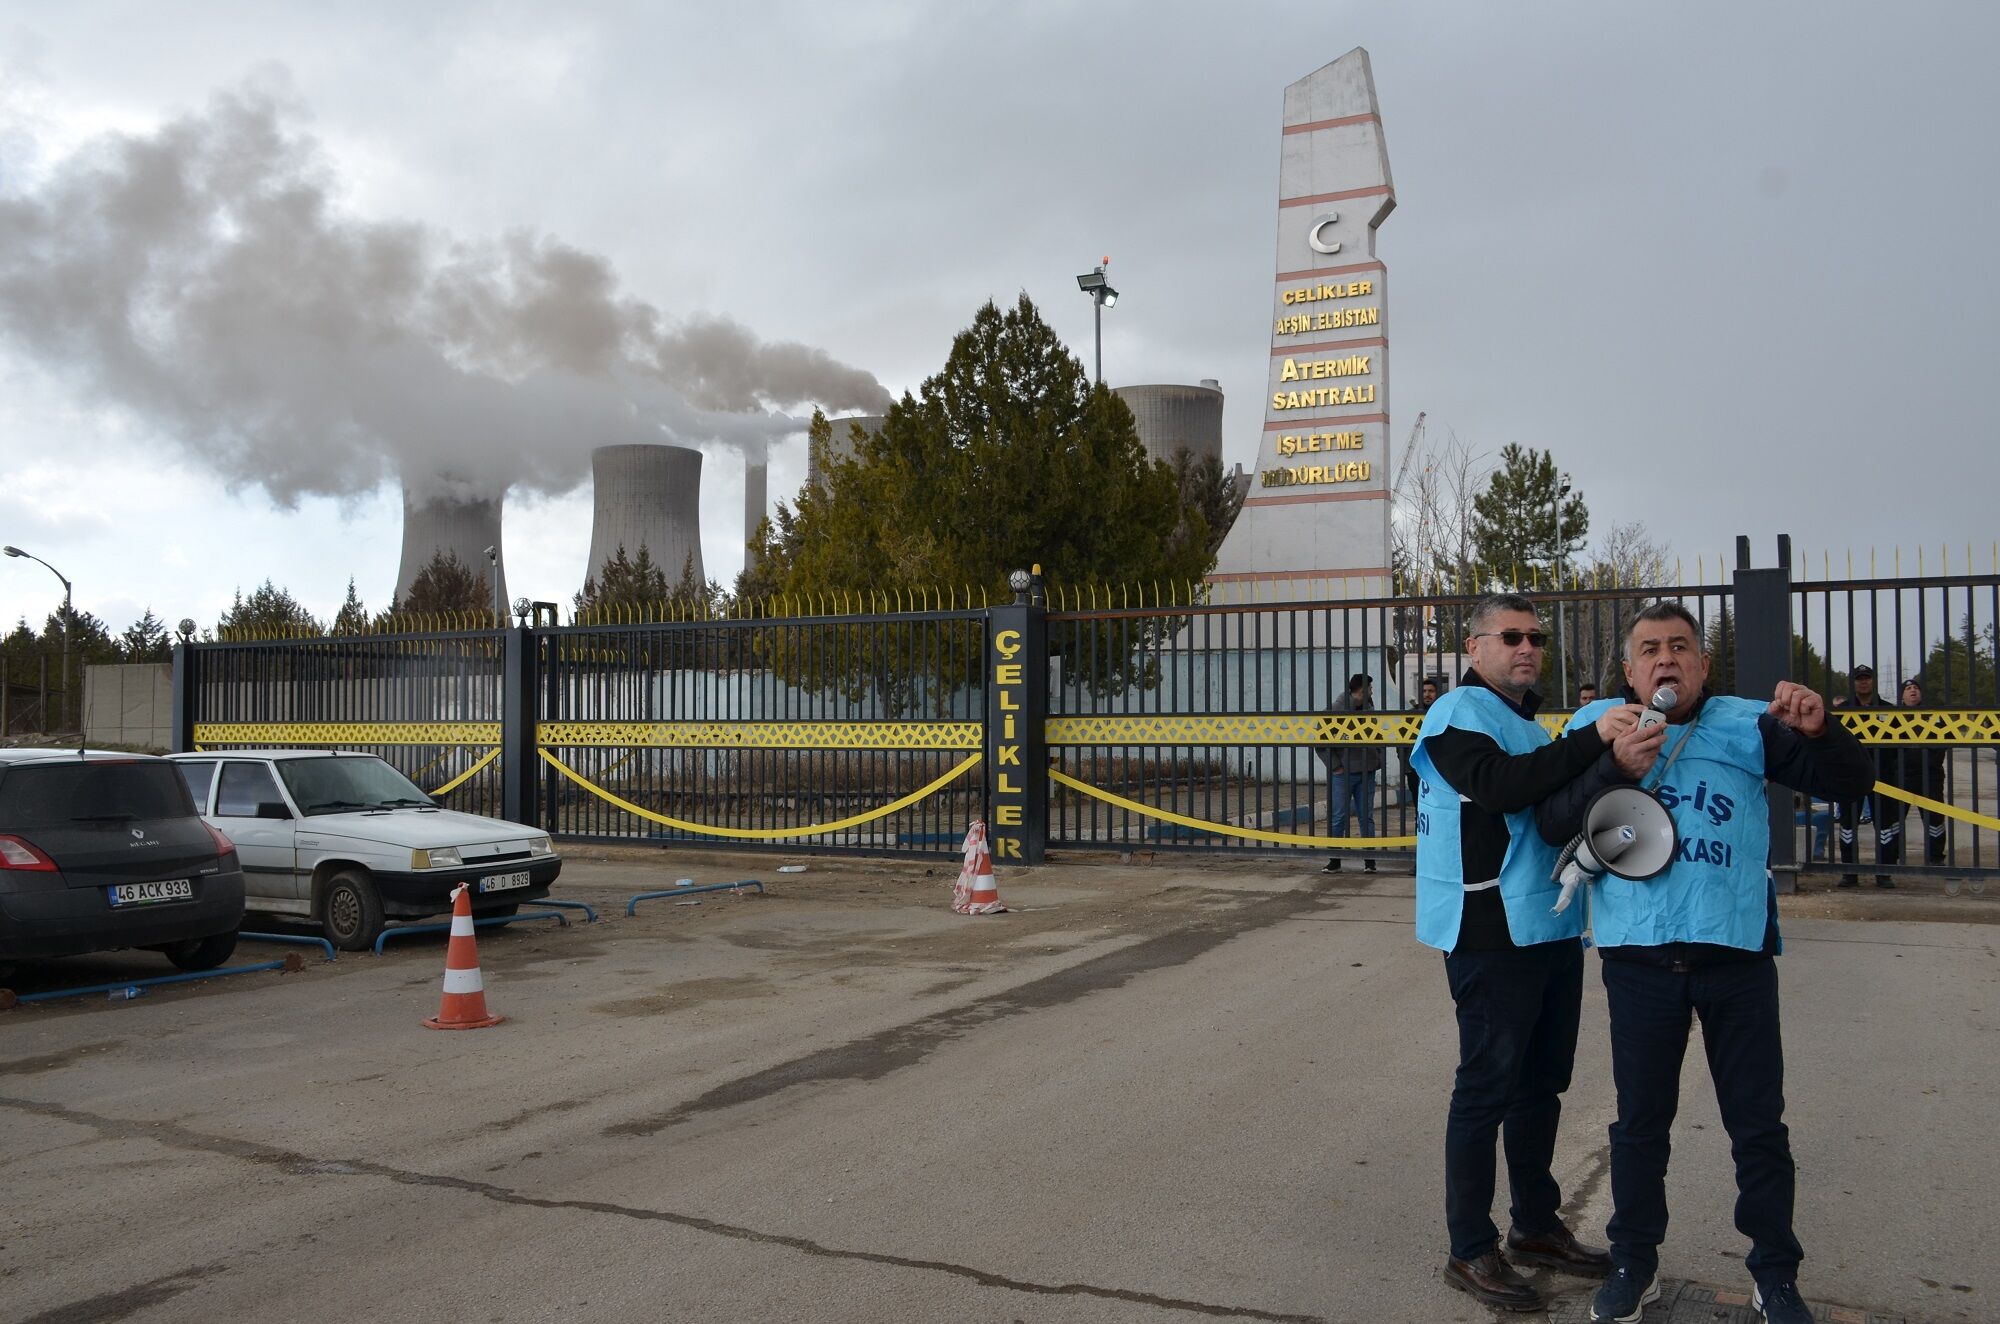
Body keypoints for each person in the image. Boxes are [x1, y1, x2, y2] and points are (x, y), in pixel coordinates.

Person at [1537, 601, 1875, 1324]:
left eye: (1680, 647)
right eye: (1650, 649)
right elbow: (1551, 820)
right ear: (1630, 670)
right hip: (1638, 957)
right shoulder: (1600, 726)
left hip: (1735, 955)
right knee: (1640, 1127)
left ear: (1702, 664)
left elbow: (1850, 785)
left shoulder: (1750, 724)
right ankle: (1634, 1264)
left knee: (1758, 1127)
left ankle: (1775, 1274)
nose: (1666, 659)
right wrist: (1611, 768)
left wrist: (1823, 729)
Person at [1410, 593, 1655, 1312]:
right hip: (1489, 931)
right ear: (1474, 646)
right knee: (1485, 1089)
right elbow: (1501, 788)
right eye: (1511, 636)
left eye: (1536, 638)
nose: (1527, 648)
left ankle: (1536, 1225)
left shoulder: (1525, 722)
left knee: (1541, 1086)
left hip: (1548, 927)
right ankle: (1469, 1246)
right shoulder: (1457, 714)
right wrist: (1592, 741)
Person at [1830, 664, 1897, 887]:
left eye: (1867, 677)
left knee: (1884, 826)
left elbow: (1899, 744)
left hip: (1882, 776)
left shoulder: (1888, 709)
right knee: (1848, 825)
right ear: (1854, 682)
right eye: (1860, 678)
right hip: (1850, 775)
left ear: (1873, 680)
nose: (1864, 681)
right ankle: (1850, 872)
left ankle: (1884, 873)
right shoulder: (1844, 710)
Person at [1319, 672, 1383, 873]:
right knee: (1338, 816)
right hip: (1343, 773)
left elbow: (1377, 736)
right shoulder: (1335, 710)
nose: (1372, 691)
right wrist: (1335, 766)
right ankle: (1335, 860)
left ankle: (1369, 861)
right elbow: (1320, 740)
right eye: (1370, 688)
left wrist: (1377, 758)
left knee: (1366, 817)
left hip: (1366, 771)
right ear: (1362, 691)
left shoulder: (1369, 708)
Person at [1894, 677, 1950, 867]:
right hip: (1903, 776)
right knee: (1895, 817)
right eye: (1908, 688)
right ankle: (1893, 855)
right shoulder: (1895, 718)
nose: (1913, 690)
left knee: (1934, 817)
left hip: (1931, 776)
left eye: (1916, 688)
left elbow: (1944, 742)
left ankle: (1935, 856)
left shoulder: (1933, 716)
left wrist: (1930, 762)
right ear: (1901, 696)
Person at [1401, 676, 1441, 809]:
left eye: (1431, 691)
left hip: (1437, 766)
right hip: (1415, 767)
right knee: (1418, 802)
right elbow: (1401, 742)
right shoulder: (1411, 714)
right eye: (1424, 691)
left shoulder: (1442, 712)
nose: (1427, 694)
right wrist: (1406, 765)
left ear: (1437, 693)